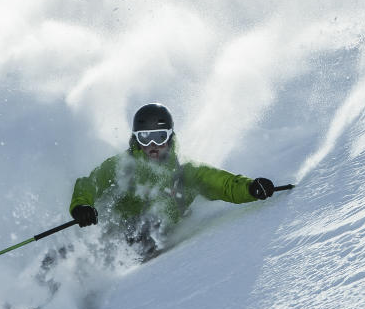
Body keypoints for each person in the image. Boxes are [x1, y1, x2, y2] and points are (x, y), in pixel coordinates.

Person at [67, 103, 280, 260]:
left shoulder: (186, 171)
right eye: (145, 138)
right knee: (79, 247)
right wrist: (82, 205)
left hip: (151, 233)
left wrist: (251, 188)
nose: (152, 145)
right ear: (136, 139)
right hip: (116, 227)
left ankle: (102, 287)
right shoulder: (121, 165)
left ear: (169, 137)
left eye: (159, 137)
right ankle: (47, 288)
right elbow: (91, 183)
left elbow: (222, 183)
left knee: (147, 226)